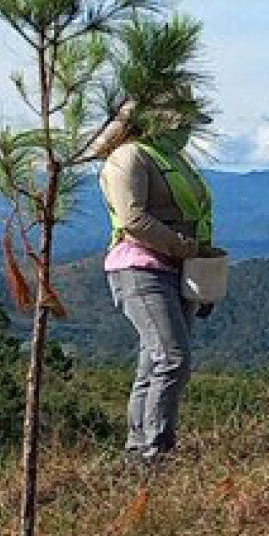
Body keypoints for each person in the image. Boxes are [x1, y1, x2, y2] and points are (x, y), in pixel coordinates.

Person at [97, 113, 215, 463]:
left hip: (179, 269)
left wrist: (201, 268)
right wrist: (187, 248)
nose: (186, 127)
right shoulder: (129, 157)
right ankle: (155, 451)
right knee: (172, 358)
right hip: (140, 267)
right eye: (180, 119)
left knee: (153, 364)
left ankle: (139, 450)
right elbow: (133, 220)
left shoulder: (172, 160)